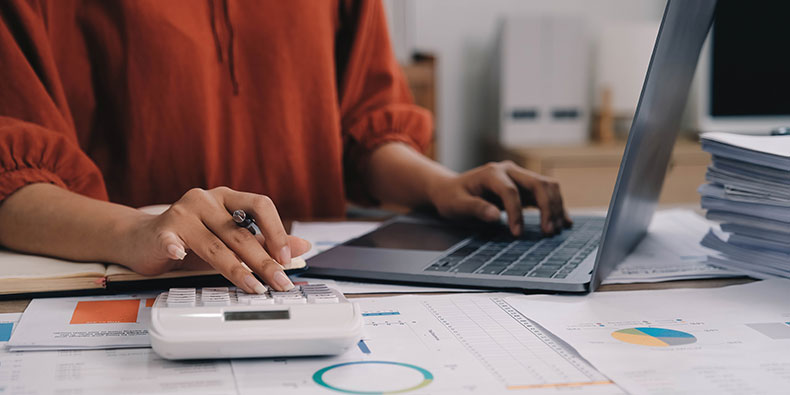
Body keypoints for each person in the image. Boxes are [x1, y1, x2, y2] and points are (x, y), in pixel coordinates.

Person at [0, 0, 571, 294]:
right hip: (139, 293)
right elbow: (12, 176)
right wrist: (138, 233)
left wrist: (438, 184)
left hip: (317, 281)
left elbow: (362, 124)